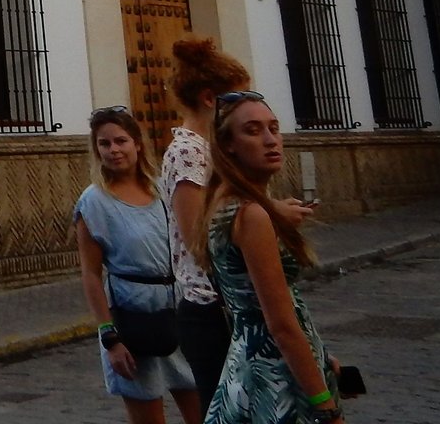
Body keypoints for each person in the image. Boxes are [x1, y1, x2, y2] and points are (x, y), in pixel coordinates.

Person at [197, 92, 345, 423]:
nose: (270, 140)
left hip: (249, 364)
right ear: (228, 145)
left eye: (274, 128)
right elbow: (280, 324)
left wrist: (319, 355)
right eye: (253, 130)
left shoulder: (226, 204)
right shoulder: (251, 215)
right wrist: (325, 403)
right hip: (275, 379)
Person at [75, 107, 199, 424]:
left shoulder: (163, 189)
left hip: (179, 314)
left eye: (121, 141)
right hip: (133, 321)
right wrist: (109, 337)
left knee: (206, 412)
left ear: (137, 144)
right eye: (105, 144)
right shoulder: (93, 202)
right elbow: (90, 274)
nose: (114, 150)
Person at [164, 38, 253, 402]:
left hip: (227, 302)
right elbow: (198, 238)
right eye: (237, 99)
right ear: (209, 99)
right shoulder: (187, 152)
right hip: (209, 308)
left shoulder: (211, 148)